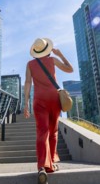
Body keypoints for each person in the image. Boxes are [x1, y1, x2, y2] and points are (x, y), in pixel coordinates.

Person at [24, 38, 73, 184]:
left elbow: (27, 83)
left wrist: (26, 103)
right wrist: (60, 54)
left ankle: (42, 167)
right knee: (53, 132)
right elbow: (70, 69)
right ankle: (51, 163)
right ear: (47, 49)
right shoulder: (52, 61)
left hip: (39, 101)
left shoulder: (30, 64)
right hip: (54, 100)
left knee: (42, 132)